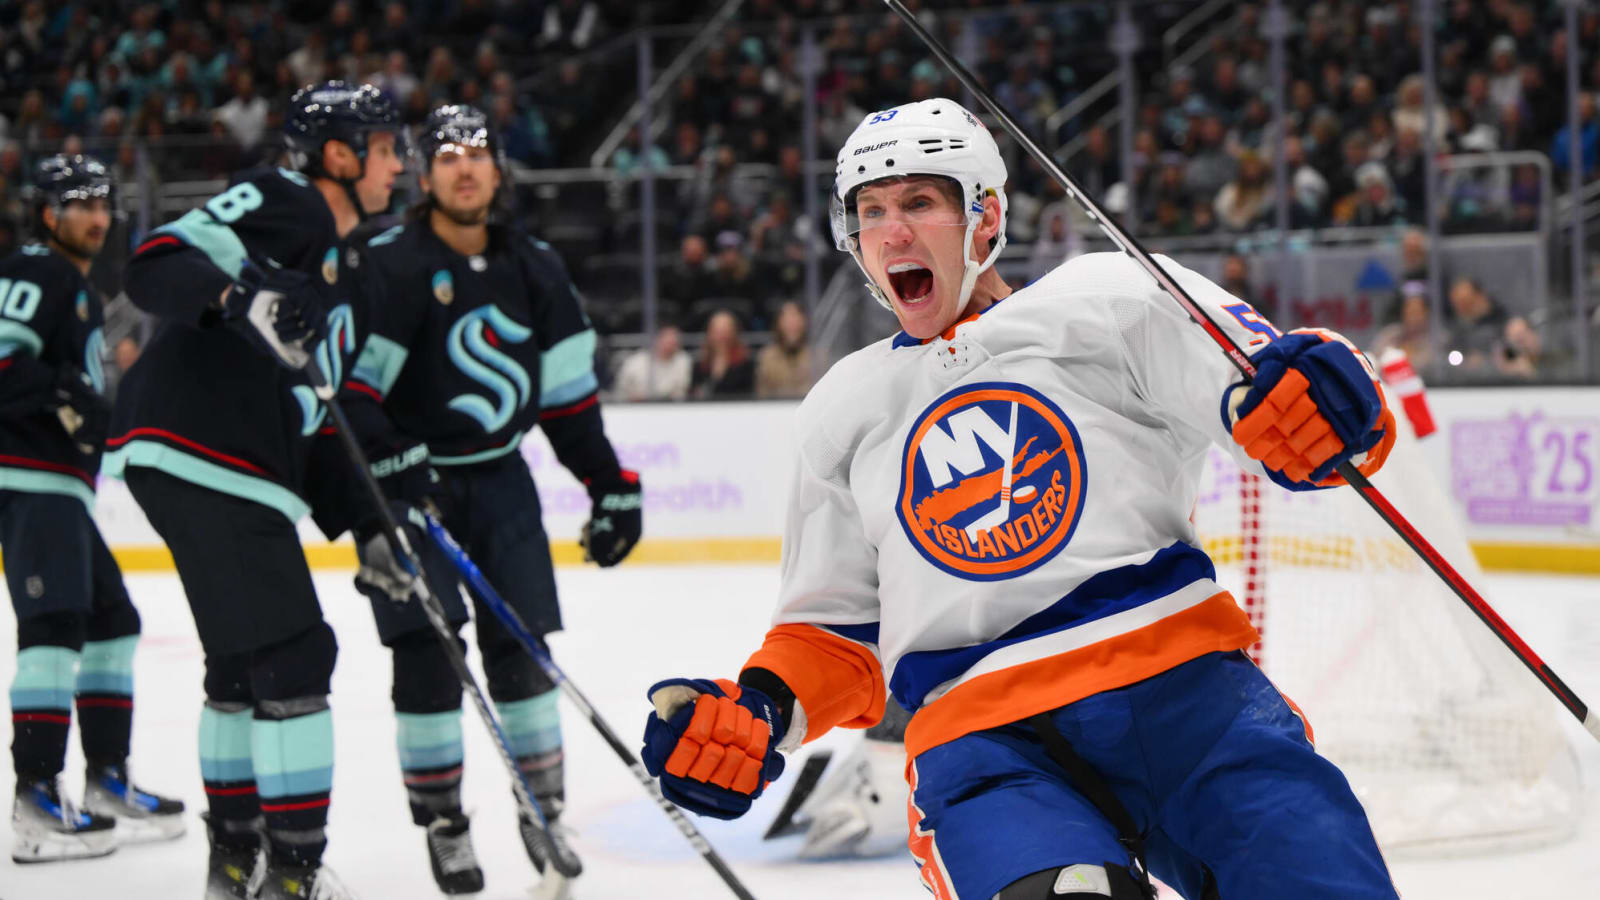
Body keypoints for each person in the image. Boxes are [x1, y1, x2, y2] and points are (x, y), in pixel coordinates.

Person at [637, 98, 1400, 900]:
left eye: (920, 203)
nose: (892, 232)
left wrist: (1328, 402)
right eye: (871, 211)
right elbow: (832, 633)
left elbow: (1269, 393)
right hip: (985, 744)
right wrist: (758, 712)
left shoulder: (1106, 299)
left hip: (1189, 700)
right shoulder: (841, 407)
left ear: (985, 215)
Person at [105, 81, 405, 900]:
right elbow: (154, 262)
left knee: (241, 668)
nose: (397, 165)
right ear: (339, 155)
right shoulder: (288, 201)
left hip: (229, 460)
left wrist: (367, 526)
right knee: (295, 655)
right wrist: (242, 296)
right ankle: (292, 877)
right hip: (199, 441)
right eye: (384, 149)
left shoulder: (358, 278)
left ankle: (235, 865)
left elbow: (319, 423)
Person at [339, 104, 642, 898]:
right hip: (409, 490)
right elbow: (353, 392)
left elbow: (569, 402)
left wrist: (610, 484)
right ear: (425, 173)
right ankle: (443, 822)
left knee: (525, 654)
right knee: (430, 661)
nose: (464, 167)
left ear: (499, 170)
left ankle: (542, 811)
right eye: (446, 156)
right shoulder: (391, 262)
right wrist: (393, 467)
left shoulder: (536, 266)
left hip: (500, 483)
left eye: (477, 153)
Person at [2, 155, 184, 864]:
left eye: (103, 203)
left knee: (113, 622)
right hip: (30, 476)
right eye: (80, 203)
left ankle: (106, 781)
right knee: (54, 627)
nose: (99, 216)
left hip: (60, 484)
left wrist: (79, 402)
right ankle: (36, 798)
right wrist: (71, 396)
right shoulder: (36, 270)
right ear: (47, 213)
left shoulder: (71, 282)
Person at [614, 324, 693, 401]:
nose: (669, 346)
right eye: (667, 342)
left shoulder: (683, 361)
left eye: (674, 343)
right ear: (657, 340)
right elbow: (621, 389)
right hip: (635, 408)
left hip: (671, 409)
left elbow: (681, 391)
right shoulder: (635, 362)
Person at [690, 309, 754, 398]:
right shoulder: (700, 363)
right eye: (717, 331)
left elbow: (748, 393)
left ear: (734, 332)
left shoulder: (745, 362)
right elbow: (695, 392)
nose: (721, 336)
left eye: (725, 331)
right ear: (709, 333)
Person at [755, 301, 813, 399]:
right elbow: (762, 394)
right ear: (778, 323)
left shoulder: (818, 356)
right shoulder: (766, 357)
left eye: (796, 318)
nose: (792, 324)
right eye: (787, 319)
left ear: (804, 322)